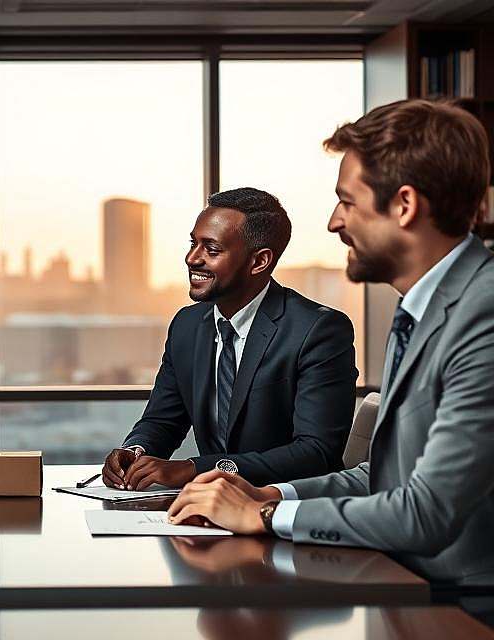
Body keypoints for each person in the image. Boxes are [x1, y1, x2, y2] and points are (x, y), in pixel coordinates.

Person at [166, 99, 494, 588]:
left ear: (404, 206)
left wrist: (263, 517)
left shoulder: (482, 313)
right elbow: (381, 480)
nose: (334, 222)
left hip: (463, 606)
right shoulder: (423, 307)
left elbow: (426, 511)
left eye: (348, 201)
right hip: (403, 586)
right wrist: (264, 496)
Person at [101, 187, 358, 489]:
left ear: (259, 261)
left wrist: (194, 469)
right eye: (193, 244)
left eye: (211, 249)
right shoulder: (187, 325)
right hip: (209, 511)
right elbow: (162, 421)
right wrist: (135, 452)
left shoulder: (318, 330)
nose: (191, 258)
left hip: (287, 509)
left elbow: (316, 453)